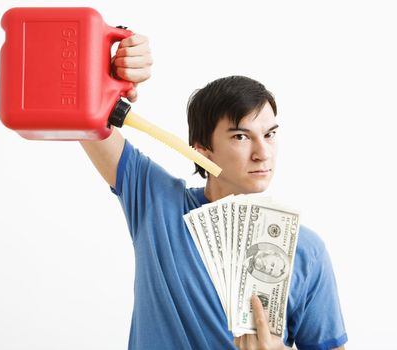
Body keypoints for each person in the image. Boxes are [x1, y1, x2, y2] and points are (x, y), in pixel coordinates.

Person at [80, 34, 348, 350]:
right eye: (240, 137)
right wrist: (117, 73)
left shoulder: (307, 250)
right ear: (203, 152)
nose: (263, 153)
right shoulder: (157, 205)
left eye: (270, 134)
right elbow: (79, 112)